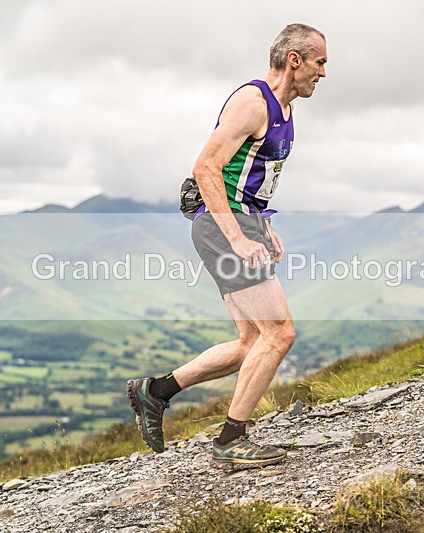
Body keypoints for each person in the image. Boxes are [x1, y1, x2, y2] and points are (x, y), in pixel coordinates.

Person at [127, 23, 327, 467]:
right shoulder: (252, 103)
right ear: (294, 59)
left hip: (241, 222)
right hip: (222, 228)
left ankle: (155, 391)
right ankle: (230, 442)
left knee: (250, 340)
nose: (323, 73)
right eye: (320, 62)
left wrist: (262, 226)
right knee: (280, 334)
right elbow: (205, 168)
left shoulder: (285, 112)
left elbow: (249, 179)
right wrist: (237, 237)